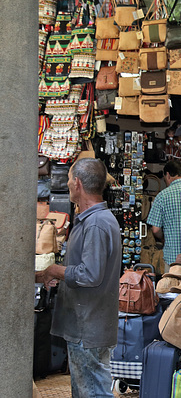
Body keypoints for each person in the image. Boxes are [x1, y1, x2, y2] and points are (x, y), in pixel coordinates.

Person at [35, 158, 122, 398]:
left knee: (92, 392)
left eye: (70, 179)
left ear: (77, 183)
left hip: (88, 327)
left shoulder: (96, 223)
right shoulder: (95, 220)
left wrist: (56, 271)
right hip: (90, 324)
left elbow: (90, 274)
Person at [146, 160, 181, 269]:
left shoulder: (162, 197)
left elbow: (156, 230)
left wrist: (163, 238)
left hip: (174, 259)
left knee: (173, 285)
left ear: (168, 175)